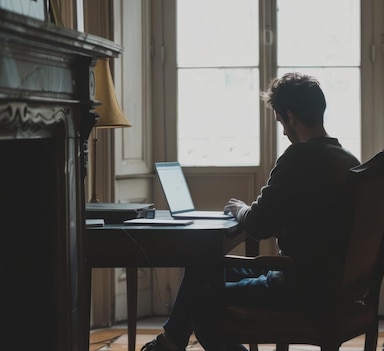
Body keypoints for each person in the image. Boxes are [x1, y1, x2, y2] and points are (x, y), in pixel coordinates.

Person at [141, 72, 361, 351]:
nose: (283, 131)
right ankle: (170, 342)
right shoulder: (348, 160)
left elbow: (258, 224)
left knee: (202, 301)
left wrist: (239, 209)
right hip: (329, 284)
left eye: (282, 122)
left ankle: (170, 342)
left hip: (298, 285)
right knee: (204, 263)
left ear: (290, 117)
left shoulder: (299, 157)